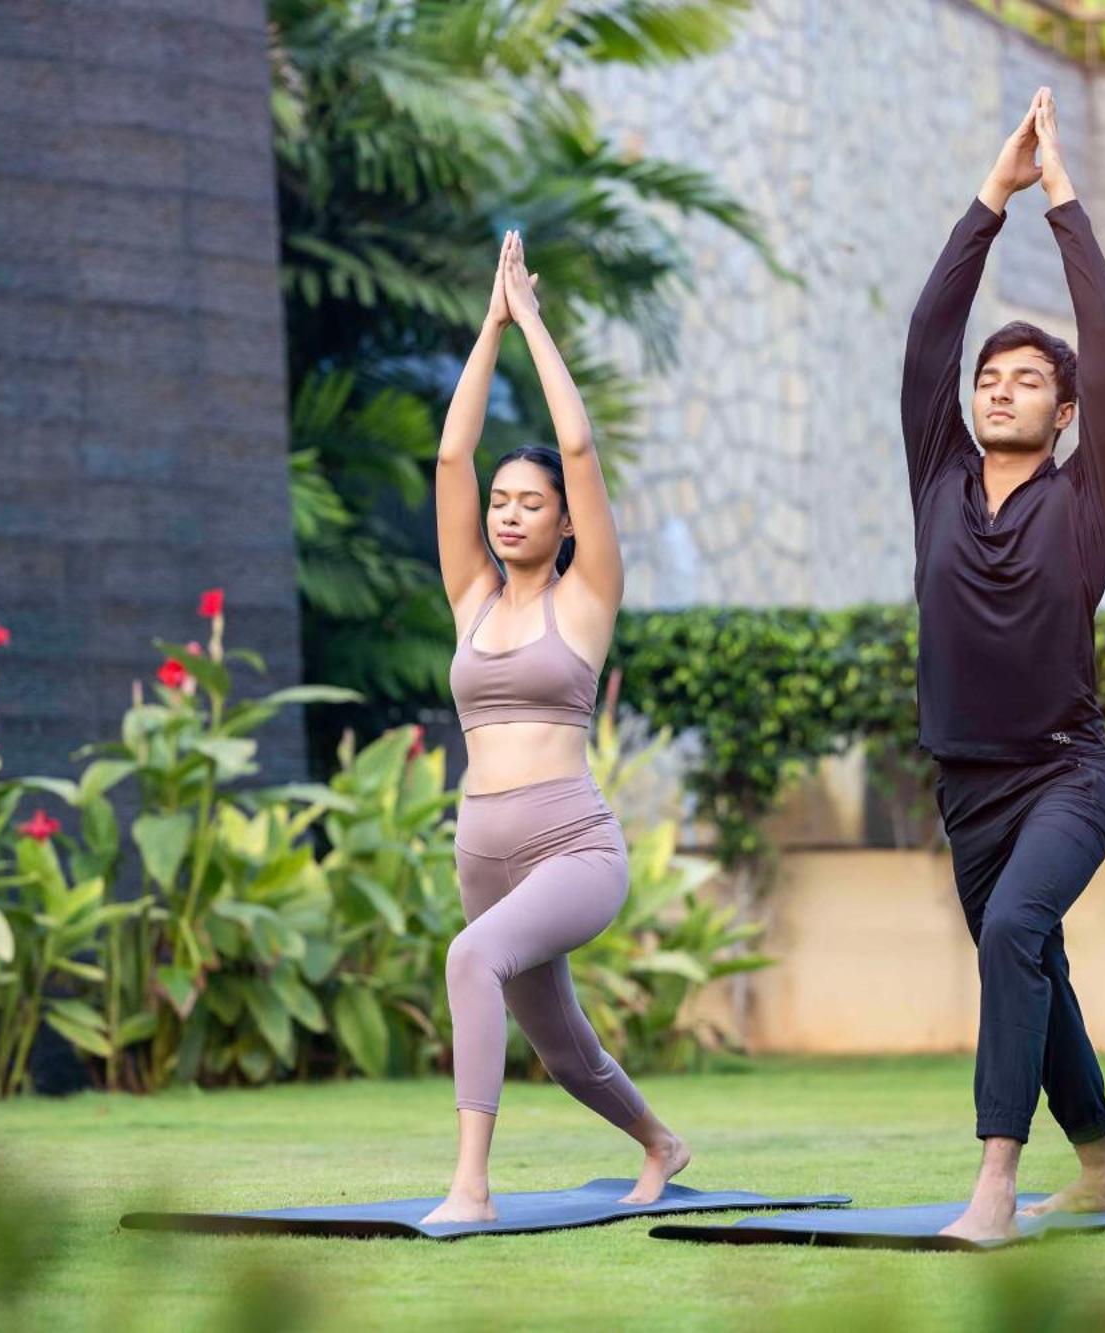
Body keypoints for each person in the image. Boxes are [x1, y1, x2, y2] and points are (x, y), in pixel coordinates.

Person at [900, 87, 1105, 1243]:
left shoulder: (1088, 499)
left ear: (1062, 415)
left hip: (1063, 776)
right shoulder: (936, 478)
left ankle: (992, 1184)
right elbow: (929, 340)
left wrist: (1058, 199)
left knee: (1009, 939)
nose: (997, 384)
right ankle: (1098, 1165)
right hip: (965, 786)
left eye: (1027, 379)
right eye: (990, 377)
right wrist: (985, 198)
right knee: (1030, 965)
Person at [420, 230, 690, 1225]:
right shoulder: (470, 600)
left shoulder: (585, 598)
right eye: (500, 501)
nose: (507, 513)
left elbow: (577, 447)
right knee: (561, 1045)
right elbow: (449, 454)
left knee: (468, 960)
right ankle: (660, 1141)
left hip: (571, 842)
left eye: (528, 503)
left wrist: (530, 316)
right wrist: (485, 327)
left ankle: (469, 1186)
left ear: (562, 521)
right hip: (481, 846)